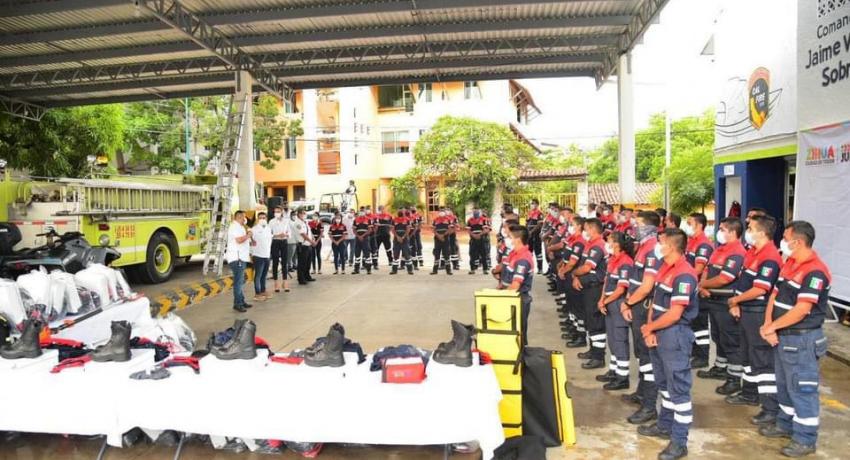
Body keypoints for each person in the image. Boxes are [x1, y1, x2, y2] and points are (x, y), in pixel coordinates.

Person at [758, 220, 830, 458]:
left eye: (786, 238)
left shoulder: (815, 271)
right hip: (782, 336)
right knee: (784, 385)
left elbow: (801, 310)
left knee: (802, 389)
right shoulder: (790, 262)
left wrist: (773, 327)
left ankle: (805, 439)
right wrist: (768, 324)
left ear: (797, 242)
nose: (783, 242)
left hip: (802, 340)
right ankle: (785, 424)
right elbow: (775, 294)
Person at [637, 228, 699, 460]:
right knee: (663, 384)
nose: (657, 246)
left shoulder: (684, 274)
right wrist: (650, 328)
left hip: (675, 335)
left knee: (678, 390)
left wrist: (650, 328)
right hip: (659, 332)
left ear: (671, 247)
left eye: (660, 242)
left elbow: (674, 314)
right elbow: (655, 302)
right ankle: (665, 425)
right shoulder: (665, 267)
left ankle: (679, 441)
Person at [727, 215, 782, 422]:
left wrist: (735, 300)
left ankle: (770, 408)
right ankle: (749, 392)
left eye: (750, 228)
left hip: (757, 313)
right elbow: (744, 282)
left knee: (762, 360)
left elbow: (760, 289)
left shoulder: (769, 257)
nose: (747, 232)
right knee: (747, 356)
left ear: (761, 232)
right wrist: (737, 303)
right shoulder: (752, 252)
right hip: (746, 311)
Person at [621, 211, 664, 425]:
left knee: (648, 357)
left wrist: (628, 302)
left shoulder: (653, 250)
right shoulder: (644, 247)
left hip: (644, 307)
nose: (633, 227)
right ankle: (641, 392)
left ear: (648, 227)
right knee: (640, 353)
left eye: (637, 224)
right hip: (637, 304)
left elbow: (647, 286)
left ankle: (649, 406)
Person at [697, 217, 746, 397]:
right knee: (718, 336)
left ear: (733, 232)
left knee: (731, 340)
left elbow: (725, 278)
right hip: (713, 300)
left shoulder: (737, 252)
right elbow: (707, 269)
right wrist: (702, 286)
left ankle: (734, 378)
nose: (719, 232)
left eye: (723, 229)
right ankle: (720, 367)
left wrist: (703, 285)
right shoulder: (719, 249)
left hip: (727, 302)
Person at [596, 231, 635, 391]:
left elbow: (621, 289)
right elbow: (607, 283)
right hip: (609, 303)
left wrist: (605, 301)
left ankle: (622, 377)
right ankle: (613, 370)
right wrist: (602, 299)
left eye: (610, 241)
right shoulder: (612, 259)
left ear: (617, 244)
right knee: (612, 339)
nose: (608, 243)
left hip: (618, 304)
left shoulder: (625, 262)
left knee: (620, 340)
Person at [571, 218, 608, 369]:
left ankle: (598, 357)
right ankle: (593, 350)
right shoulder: (590, 244)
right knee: (590, 321)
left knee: (596, 322)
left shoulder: (598, 246)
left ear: (592, 229)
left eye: (586, 229)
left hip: (595, 288)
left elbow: (586, 268)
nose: (584, 231)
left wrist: (574, 273)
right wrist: (576, 276)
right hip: (587, 288)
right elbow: (582, 266)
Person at [685, 212, 714, 368]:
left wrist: (683, 276)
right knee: (693, 322)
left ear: (699, 225)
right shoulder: (691, 242)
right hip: (691, 287)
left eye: (690, 223)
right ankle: (695, 352)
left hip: (698, 288)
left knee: (700, 324)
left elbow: (699, 269)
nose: (687, 226)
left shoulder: (703, 244)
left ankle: (702, 356)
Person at [501, 224, 534, 346]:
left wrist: (499, 297)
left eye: (510, 237)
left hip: (518, 299)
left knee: (518, 334)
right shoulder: (516, 254)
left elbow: (515, 286)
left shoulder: (523, 259)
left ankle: (522, 354)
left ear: (518, 240)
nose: (508, 240)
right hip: (514, 297)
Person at [559, 216, 587, 348]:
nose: (570, 226)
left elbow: (572, 263)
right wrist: (562, 267)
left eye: (572, 224)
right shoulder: (573, 239)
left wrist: (563, 271)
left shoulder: (579, 242)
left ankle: (580, 336)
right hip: (568, 273)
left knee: (577, 307)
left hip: (573, 275)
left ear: (579, 226)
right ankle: (574, 329)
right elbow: (566, 257)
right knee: (571, 304)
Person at [225, 210, 252, 312]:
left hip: (241, 257)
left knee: (240, 281)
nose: (245, 219)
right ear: (239, 217)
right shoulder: (234, 227)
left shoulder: (240, 227)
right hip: (237, 258)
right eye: (244, 217)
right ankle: (237, 304)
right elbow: (239, 240)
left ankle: (241, 301)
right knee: (238, 282)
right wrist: (248, 235)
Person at [269, 206, 291, 294]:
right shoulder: (271, 221)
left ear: (282, 212)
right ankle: (276, 283)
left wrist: (286, 234)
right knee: (275, 262)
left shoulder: (286, 221)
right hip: (275, 242)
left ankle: (285, 282)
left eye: (278, 211)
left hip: (284, 242)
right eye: (275, 211)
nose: (276, 213)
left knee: (284, 262)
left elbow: (289, 232)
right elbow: (269, 233)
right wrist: (276, 235)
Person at [293, 209, 314, 285]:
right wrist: (311, 241)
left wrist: (313, 239)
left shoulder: (305, 222)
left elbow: (309, 232)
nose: (304, 215)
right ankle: (301, 279)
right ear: (298, 214)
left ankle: (307, 276)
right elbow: (303, 234)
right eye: (302, 213)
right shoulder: (297, 223)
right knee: (302, 263)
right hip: (302, 245)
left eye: (305, 213)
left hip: (308, 245)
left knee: (308, 262)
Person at [467, 206, 490, 274]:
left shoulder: (483, 220)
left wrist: (479, 235)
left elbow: (486, 229)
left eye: (476, 210)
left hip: (482, 239)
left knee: (483, 254)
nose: (475, 212)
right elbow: (468, 230)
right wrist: (474, 235)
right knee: (472, 254)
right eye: (474, 211)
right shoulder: (470, 220)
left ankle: (485, 269)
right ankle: (472, 269)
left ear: (479, 211)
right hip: (473, 239)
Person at [390, 209, 414, 275]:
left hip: (405, 239)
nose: (400, 212)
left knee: (407, 254)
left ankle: (410, 270)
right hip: (396, 239)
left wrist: (403, 237)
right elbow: (392, 229)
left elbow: (408, 229)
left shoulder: (407, 220)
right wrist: (397, 237)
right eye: (399, 211)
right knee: (395, 255)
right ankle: (394, 270)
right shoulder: (394, 220)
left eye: (402, 211)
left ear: (404, 213)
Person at [431, 208, 453, 275]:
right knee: (436, 254)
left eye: (442, 211)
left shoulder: (448, 219)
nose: (441, 212)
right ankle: (435, 270)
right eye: (440, 211)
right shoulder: (435, 220)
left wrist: (443, 235)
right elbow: (433, 229)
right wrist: (438, 236)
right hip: (437, 239)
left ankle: (448, 270)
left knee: (446, 254)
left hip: (445, 239)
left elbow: (450, 229)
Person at [352, 208, 373, 275]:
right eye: (360, 211)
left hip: (365, 239)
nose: (361, 212)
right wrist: (358, 236)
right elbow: (354, 230)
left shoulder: (368, 219)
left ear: (365, 212)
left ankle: (368, 270)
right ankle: (356, 270)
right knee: (357, 254)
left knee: (367, 254)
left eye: (363, 211)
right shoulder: (356, 220)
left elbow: (370, 230)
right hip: (358, 239)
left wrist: (362, 236)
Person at [526, 199, 545, 274]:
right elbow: (527, 223)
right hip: (529, 235)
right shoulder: (529, 212)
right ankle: (529, 268)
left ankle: (540, 268)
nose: (532, 205)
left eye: (533, 203)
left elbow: (539, 225)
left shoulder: (539, 213)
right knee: (529, 252)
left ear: (537, 204)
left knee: (538, 252)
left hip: (536, 234)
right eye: (531, 203)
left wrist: (531, 231)